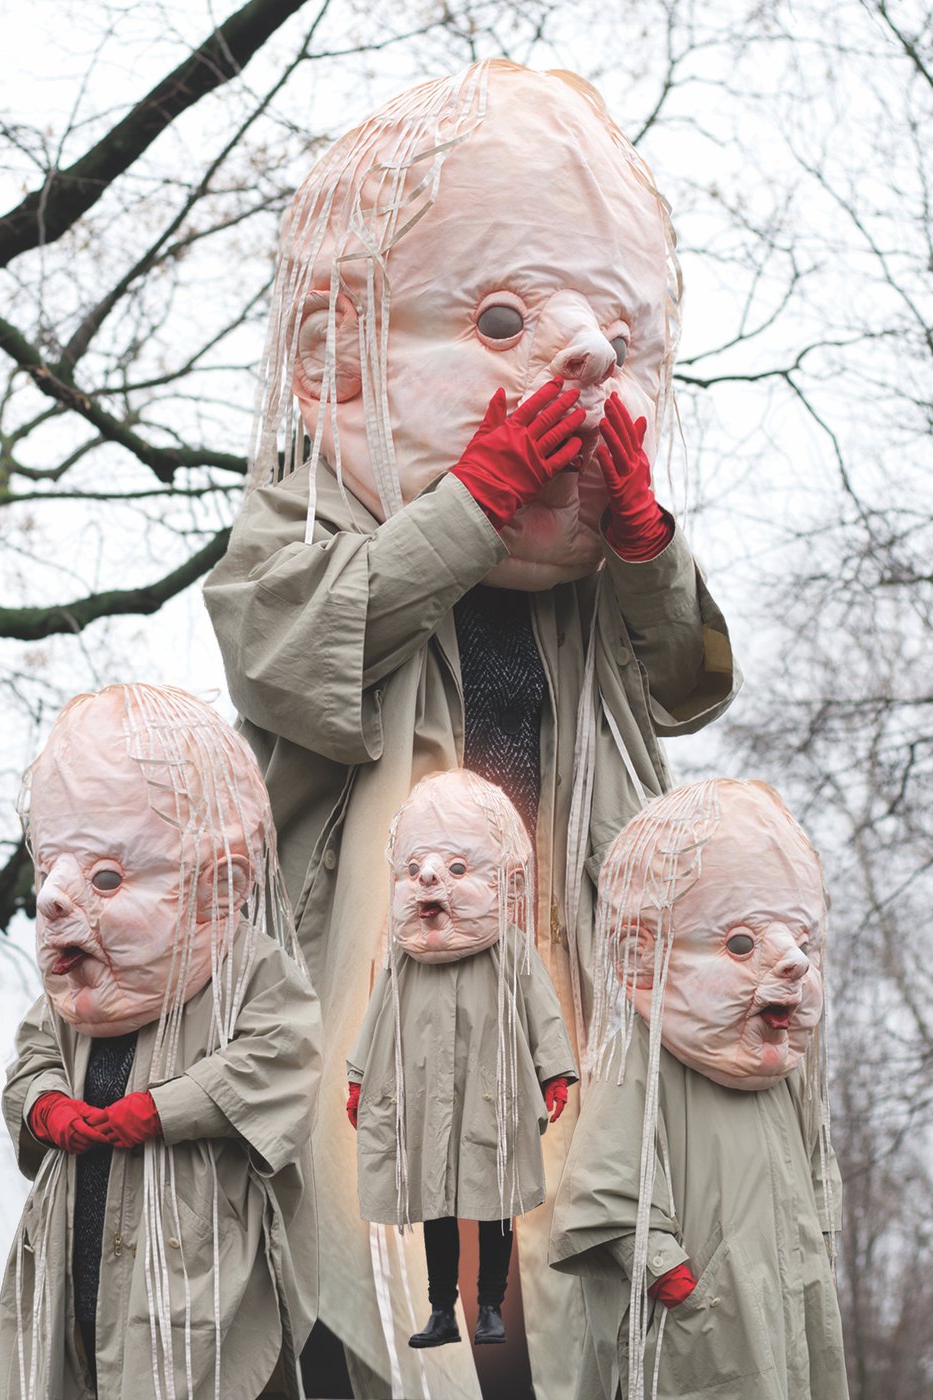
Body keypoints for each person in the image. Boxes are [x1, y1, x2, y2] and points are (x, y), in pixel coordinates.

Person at [205, 59, 739, 1400]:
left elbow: (685, 686)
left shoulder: (590, 568)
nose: (577, 361)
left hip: (560, 985)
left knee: (563, 1305)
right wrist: (468, 504)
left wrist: (642, 545)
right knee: (383, 1295)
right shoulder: (305, 507)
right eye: (500, 318)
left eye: (604, 339)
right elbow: (286, 660)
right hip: (381, 994)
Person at [0, 684, 323, 1400]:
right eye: (52, 867)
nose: (55, 899)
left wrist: (164, 1108)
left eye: (107, 877)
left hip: (189, 1240)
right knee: (85, 1351)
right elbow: (34, 1057)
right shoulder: (70, 987)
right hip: (77, 1225)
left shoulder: (250, 968)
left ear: (218, 884)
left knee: (189, 1362)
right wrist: (46, 1105)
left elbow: (281, 1056)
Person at [549, 780, 849, 1400]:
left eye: (802, 942)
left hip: (786, 1298)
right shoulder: (643, 1055)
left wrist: (817, 1255)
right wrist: (669, 1276)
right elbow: (604, 1186)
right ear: (642, 954)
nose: (792, 963)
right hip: (696, 1315)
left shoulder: (785, 1073)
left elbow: (818, 1178)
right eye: (742, 944)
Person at [346, 771, 576, 1348]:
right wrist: (358, 1078)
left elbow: (541, 1010)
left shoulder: (509, 950)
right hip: (423, 1094)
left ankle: (490, 1306)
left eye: (454, 869)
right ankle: (442, 1310)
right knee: (436, 1203)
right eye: (419, 867)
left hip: (491, 1088)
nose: (429, 880)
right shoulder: (403, 959)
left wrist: (554, 1070)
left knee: (493, 1195)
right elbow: (377, 1019)